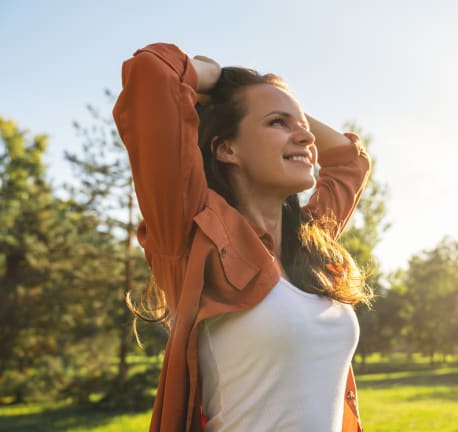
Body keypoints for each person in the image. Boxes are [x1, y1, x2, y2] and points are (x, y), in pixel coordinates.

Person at [113, 42, 372, 432]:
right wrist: (217, 80)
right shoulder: (193, 238)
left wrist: (279, 105)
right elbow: (152, 71)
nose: (307, 138)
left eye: (303, 126)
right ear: (227, 149)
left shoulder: (309, 244)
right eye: (277, 123)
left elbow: (349, 160)